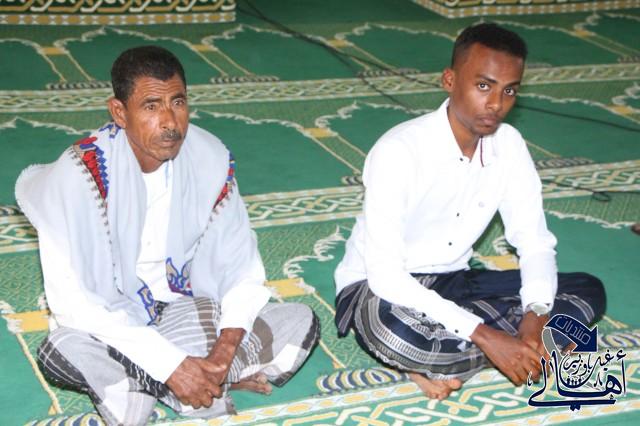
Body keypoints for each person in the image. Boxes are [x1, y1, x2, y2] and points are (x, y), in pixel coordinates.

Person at [16, 46, 319, 425]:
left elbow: (241, 266)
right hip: (111, 321)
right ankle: (189, 384)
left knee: (299, 320)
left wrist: (224, 352)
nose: (170, 122)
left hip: (185, 308)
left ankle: (180, 382)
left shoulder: (209, 157)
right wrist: (170, 365)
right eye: (151, 106)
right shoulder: (79, 176)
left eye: (178, 102)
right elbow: (75, 305)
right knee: (64, 348)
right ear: (119, 112)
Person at [333, 23, 605, 400]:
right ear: (449, 80)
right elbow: (386, 275)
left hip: (455, 281)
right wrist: (485, 335)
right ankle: (499, 352)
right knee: (396, 334)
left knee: (587, 290)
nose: (496, 104)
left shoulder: (509, 145)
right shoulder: (399, 151)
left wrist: (535, 314)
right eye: (483, 86)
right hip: (379, 289)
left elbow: (534, 242)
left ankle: (450, 359)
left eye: (509, 90)